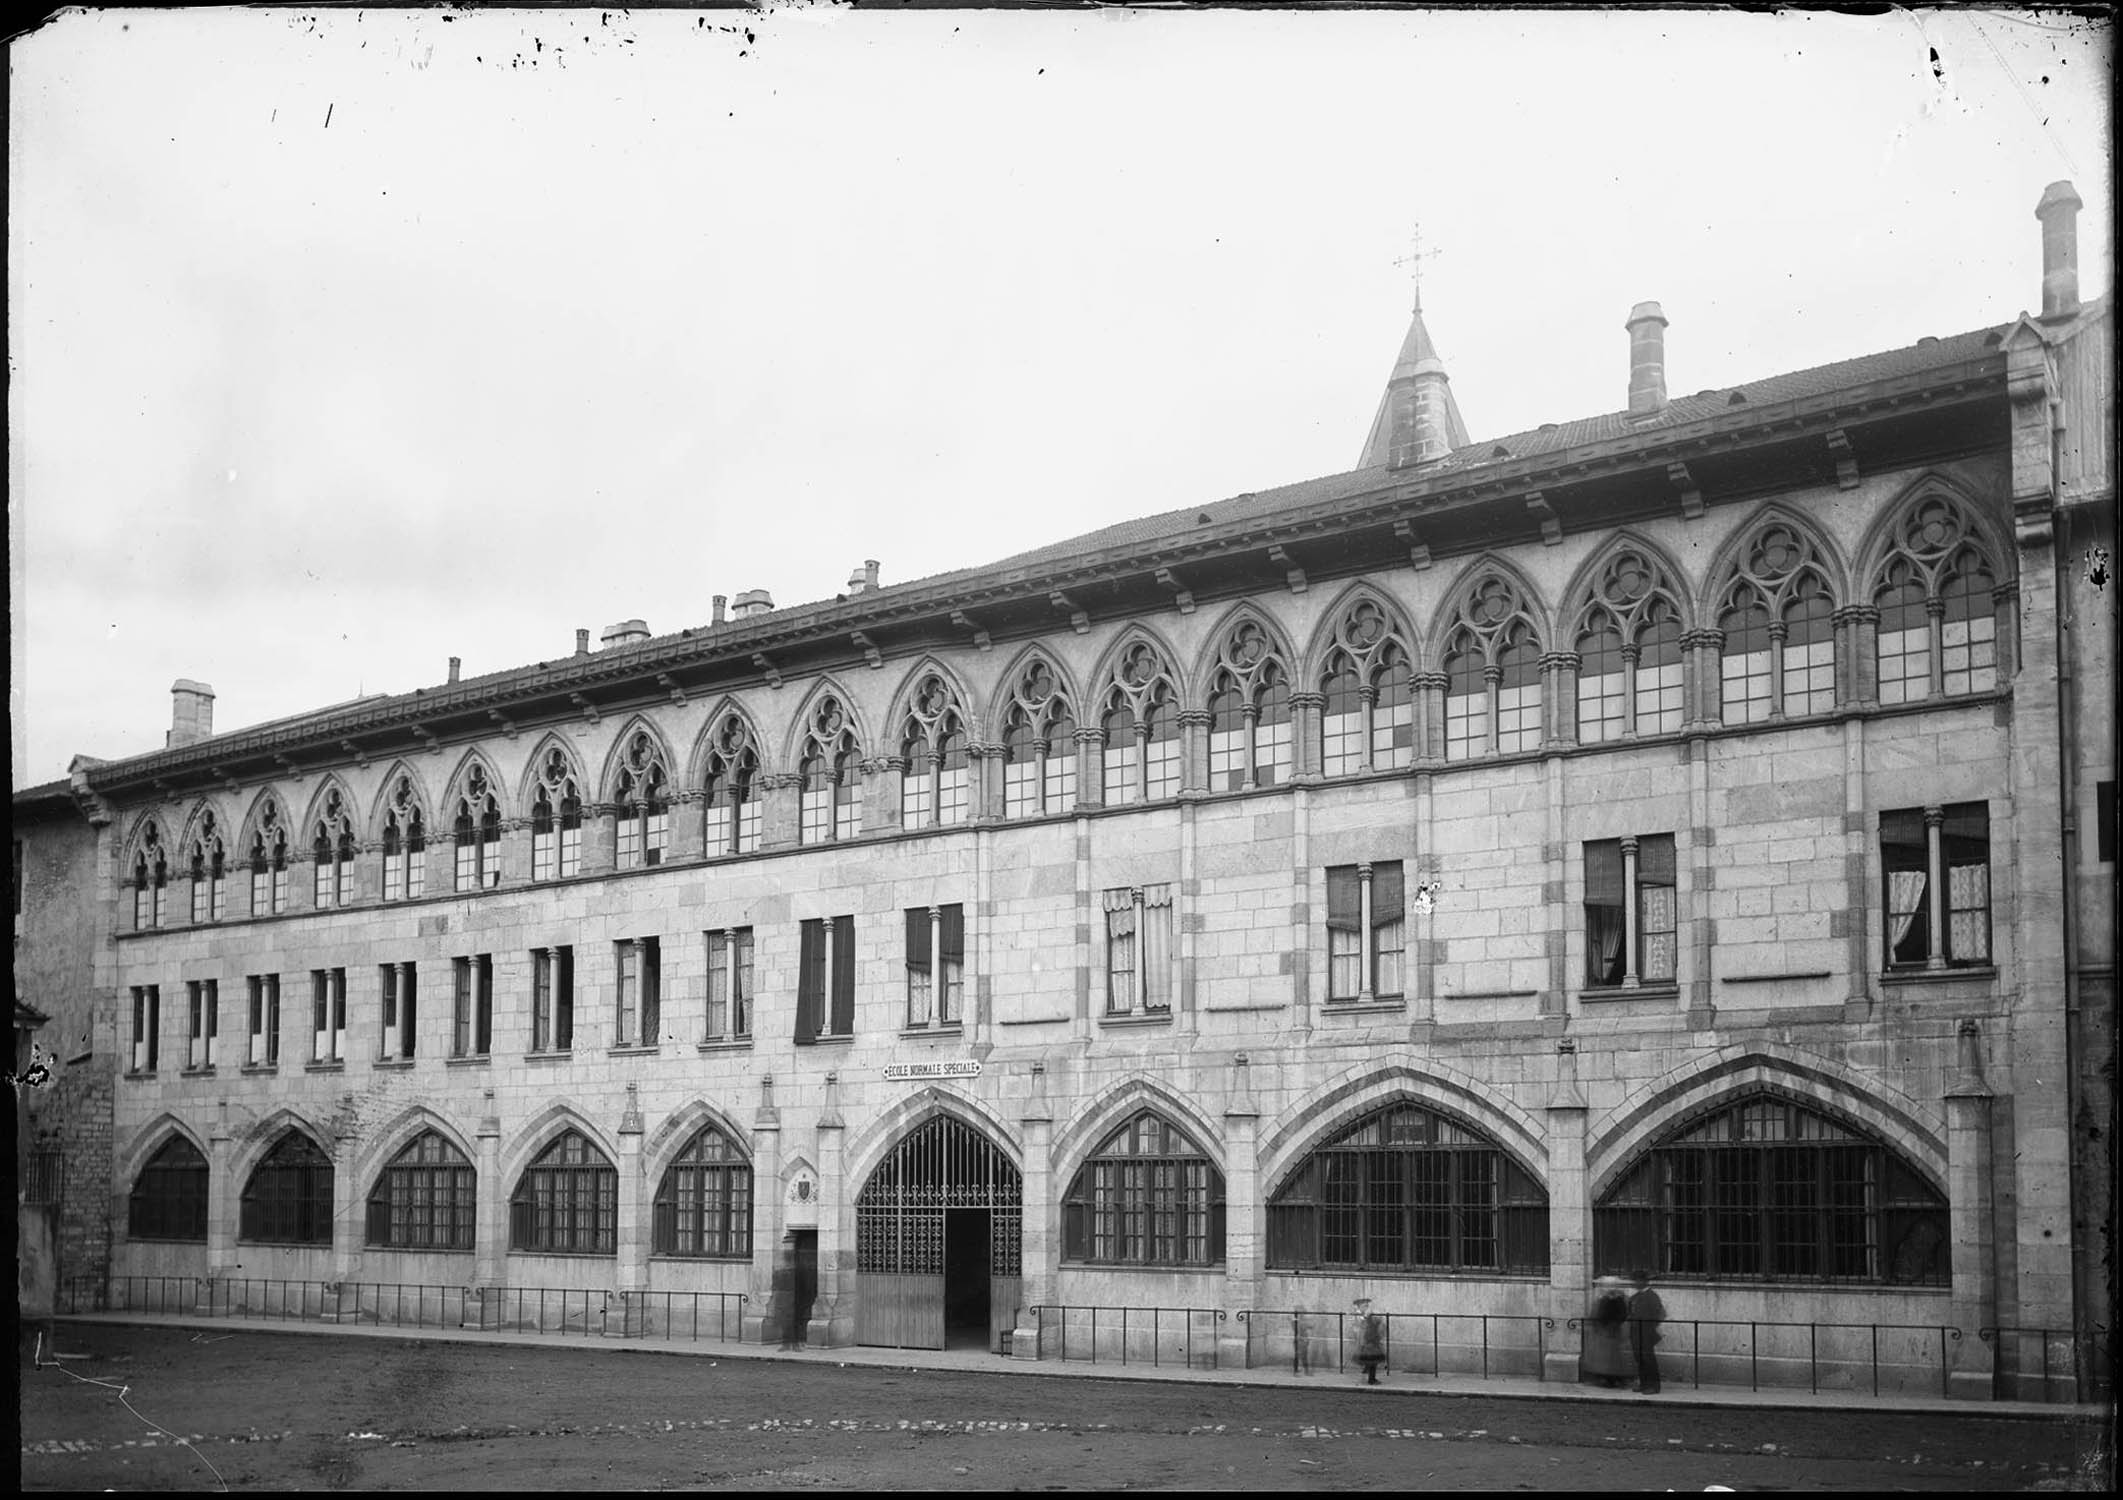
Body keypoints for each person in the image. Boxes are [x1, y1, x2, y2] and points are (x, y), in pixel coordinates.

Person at [1583, 1277, 1633, 1388]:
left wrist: (1612, 1324)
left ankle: (1611, 1378)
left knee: (1611, 1357)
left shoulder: (1617, 1299)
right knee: (1606, 1357)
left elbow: (1621, 1313)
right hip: (1605, 1331)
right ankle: (1607, 1378)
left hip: (1610, 1331)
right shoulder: (1606, 1298)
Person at [1627, 1268, 1666, 1394]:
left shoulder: (1652, 1296)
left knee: (1648, 1359)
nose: (1635, 1283)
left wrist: (1650, 1327)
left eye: (1637, 1281)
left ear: (1643, 1281)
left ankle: (1654, 1386)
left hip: (1646, 1332)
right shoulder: (1634, 1297)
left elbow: (1660, 1314)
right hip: (1635, 1332)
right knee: (1639, 1358)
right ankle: (1644, 1384)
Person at [1353, 1299, 1386, 1386]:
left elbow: (1376, 1325)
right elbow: (1361, 1325)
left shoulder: (1368, 1316)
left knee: (1371, 1360)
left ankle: (1369, 1374)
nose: (1367, 1307)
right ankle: (1371, 1379)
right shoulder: (1362, 1316)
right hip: (1368, 1341)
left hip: (1370, 1341)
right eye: (1365, 1305)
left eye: (1367, 1305)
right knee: (1372, 1361)